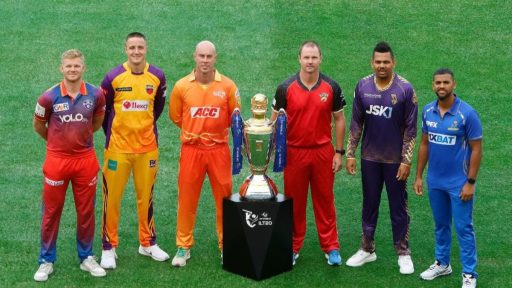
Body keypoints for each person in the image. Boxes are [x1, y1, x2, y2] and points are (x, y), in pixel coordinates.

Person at [32, 49, 106, 281]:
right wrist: (57, 144)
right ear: (61, 68)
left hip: (85, 160)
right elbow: (38, 126)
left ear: (83, 68)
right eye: (68, 66)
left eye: (76, 66)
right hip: (57, 161)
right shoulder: (48, 97)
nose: (72, 69)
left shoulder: (96, 94)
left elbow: (96, 121)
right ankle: (46, 261)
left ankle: (86, 257)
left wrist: (79, 142)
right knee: (51, 212)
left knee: (86, 211)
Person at [271, 40, 346, 266]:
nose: (310, 62)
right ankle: (293, 246)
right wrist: (273, 152)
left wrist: (339, 152)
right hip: (294, 153)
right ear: (299, 59)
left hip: (323, 152)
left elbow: (340, 119)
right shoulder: (286, 88)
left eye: (314, 57)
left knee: (325, 200)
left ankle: (331, 246)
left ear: (320, 59)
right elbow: (274, 122)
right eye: (306, 57)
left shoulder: (331, 87)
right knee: (294, 202)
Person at [345, 41, 418, 274]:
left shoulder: (405, 89)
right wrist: (350, 154)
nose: (382, 66)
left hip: (395, 161)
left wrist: (406, 160)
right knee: (369, 203)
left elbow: (411, 129)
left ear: (393, 62)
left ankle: (403, 252)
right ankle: (367, 249)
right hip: (369, 158)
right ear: (372, 62)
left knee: (398, 207)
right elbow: (356, 123)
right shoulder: (362, 86)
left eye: (386, 62)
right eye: (378, 62)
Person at [100, 32, 169, 269]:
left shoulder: (157, 76)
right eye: (132, 48)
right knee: (112, 200)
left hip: (148, 149)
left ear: (146, 48)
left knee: (146, 198)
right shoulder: (113, 77)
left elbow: (157, 108)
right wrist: (114, 134)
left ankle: (147, 243)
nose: (136, 52)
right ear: (125, 49)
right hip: (117, 150)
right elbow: (103, 112)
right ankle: (109, 247)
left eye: (140, 47)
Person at [169, 40, 241, 267]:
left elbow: (235, 117)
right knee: (187, 199)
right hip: (191, 150)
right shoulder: (181, 86)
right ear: (194, 57)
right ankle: (183, 247)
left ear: (216, 58)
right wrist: (196, 131)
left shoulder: (228, 86)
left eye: (209, 57)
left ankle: (226, 245)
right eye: (201, 56)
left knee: (225, 200)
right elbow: (176, 116)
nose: (205, 61)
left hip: (219, 150)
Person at [414, 68, 482, 288]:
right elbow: (424, 144)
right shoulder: (427, 111)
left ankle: (469, 274)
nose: (441, 86)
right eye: (437, 83)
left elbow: (477, 149)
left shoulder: (467, 114)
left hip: (459, 183)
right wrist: (419, 176)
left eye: (445, 82)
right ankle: (443, 263)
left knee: (464, 228)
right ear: (433, 86)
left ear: (454, 85)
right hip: (435, 181)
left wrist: (470, 183)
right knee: (441, 224)